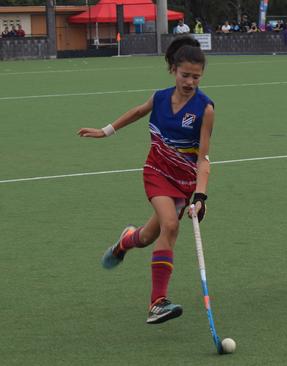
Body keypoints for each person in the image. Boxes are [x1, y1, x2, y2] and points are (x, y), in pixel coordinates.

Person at [77, 36, 215, 324]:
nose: (190, 82)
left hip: (185, 181)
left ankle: (126, 242)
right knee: (171, 225)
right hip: (156, 172)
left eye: (196, 77)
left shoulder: (205, 108)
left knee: (149, 236)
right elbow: (138, 112)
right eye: (185, 75)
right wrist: (105, 131)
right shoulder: (160, 97)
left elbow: (203, 159)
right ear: (173, 70)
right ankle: (157, 302)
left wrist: (200, 197)